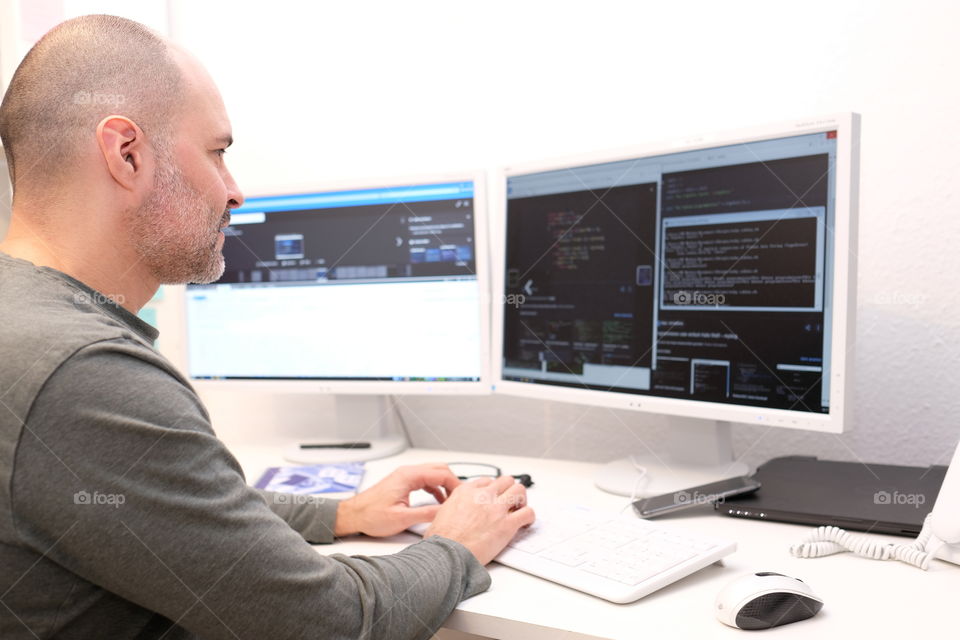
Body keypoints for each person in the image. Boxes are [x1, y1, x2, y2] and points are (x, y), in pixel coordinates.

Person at [0, 14, 534, 640]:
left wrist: (342, 513)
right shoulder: (84, 373)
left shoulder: (26, 323)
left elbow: (156, 508)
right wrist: (456, 546)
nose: (235, 191)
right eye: (217, 152)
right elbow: (332, 624)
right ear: (127, 154)